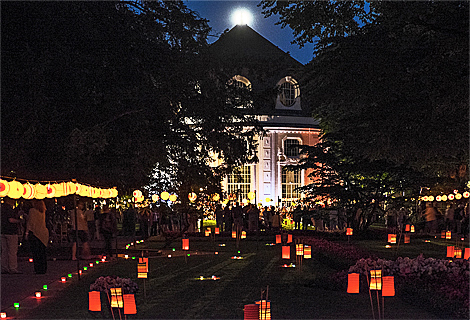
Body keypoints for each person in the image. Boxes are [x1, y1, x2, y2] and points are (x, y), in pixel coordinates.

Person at [25, 200, 49, 274]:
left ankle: (38, 269)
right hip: (44, 232)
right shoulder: (43, 211)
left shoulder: (32, 211)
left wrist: (26, 232)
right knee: (42, 252)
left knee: (36, 252)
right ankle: (43, 268)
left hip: (35, 233)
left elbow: (31, 223)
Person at [1, 198, 23, 274]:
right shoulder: (9, 209)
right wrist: (19, 221)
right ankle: (12, 267)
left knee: (4, 250)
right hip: (11, 232)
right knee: (12, 251)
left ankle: (4, 267)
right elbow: (11, 220)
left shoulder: (2, 208)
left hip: (2, 231)